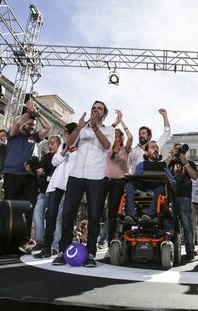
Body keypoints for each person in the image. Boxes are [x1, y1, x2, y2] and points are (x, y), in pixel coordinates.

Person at [52, 101, 114, 267]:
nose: (95, 110)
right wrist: (79, 128)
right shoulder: (82, 128)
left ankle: (91, 253)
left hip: (96, 177)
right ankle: (62, 251)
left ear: (105, 114)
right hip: (76, 175)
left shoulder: (109, 130)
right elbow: (69, 144)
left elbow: (107, 146)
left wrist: (95, 128)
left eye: (99, 109)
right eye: (93, 108)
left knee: (94, 216)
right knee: (67, 214)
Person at [3, 100, 51, 251]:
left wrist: (37, 113)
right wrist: (28, 113)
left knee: (28, 209)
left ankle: (24, 242)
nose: (31, 126)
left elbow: (47, 127)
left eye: (33, 125)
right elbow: (17, 124)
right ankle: (8, 240)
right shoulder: (13, 134)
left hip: (29, 177)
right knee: (11, 209)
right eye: (29, 124)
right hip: (11, 175)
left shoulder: (34, 138)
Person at [124, 140, 175, 222]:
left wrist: (167, 179)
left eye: (157, 147)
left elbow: (173, 181)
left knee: (161, 188)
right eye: (152, 147)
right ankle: (131, 214)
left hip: (157, 188)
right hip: (142, 187)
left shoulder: (163, 166)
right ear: (147, 152)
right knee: (129, 184)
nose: (156, 149)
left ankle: (149, 214)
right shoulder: (141, 164)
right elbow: (135, 177)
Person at [104, 110, 133, 245]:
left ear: (121, 138)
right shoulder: (107, 149)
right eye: (114, 134)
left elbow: (131, 137)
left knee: (116, 213)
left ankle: (117, 240)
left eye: (117, 135)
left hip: (118, 183)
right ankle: (109, 239)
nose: (115, 136)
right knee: (108, 213)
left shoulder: (124, 150)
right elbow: (105, 133)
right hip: (105, 181)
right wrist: (114, 124)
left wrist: (121, 121)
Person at [166, 143, 198, 260]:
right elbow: (161, 168)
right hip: (170, 196)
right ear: (173, 150)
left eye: (180, 149)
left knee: (187, 224)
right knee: (170, 223)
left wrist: (185, 163)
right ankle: (170, 248)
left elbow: (195, 176)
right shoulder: (170, 163)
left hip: (184, 196)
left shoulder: (190, 163)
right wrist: (172, 156)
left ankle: (190, 251)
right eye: (176, 148)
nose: (179, 150)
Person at [31, 135, 61, 253]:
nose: (49, 145)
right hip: (44, 190)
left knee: (58, 217)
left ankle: (55, 245)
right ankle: (39, 241)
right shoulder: (46, 157)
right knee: (37, 212)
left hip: (58, 192)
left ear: (59, 145)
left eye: (52, 143)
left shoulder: (64, 157)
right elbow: (40, 171)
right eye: (49, 143)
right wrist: (34, 168)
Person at [128, 109, 171, 174]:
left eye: (143, 133)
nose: (140, 135)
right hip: (137, 182)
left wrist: (165, 116)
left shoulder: (156, 145)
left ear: (149, 136)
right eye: (139, 134)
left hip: (153, 180)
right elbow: (127, 167)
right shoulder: (132, 151)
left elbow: (167, 132)